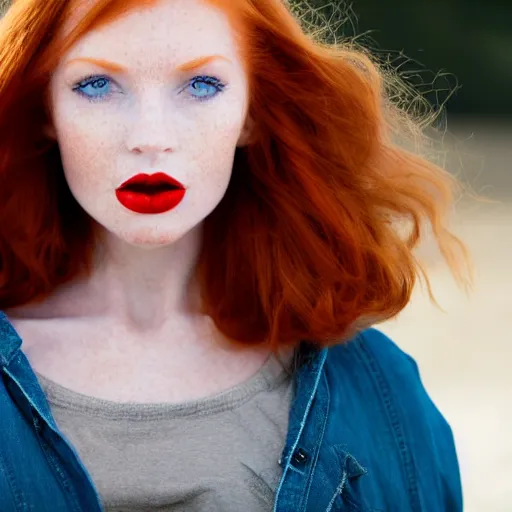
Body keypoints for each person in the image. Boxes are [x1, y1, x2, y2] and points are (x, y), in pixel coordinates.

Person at [0, 0, 470, 510]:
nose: (150, 139)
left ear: (251, 116)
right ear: (44, 110)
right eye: (95, 85)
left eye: (202, 85)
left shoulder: (379, 388)